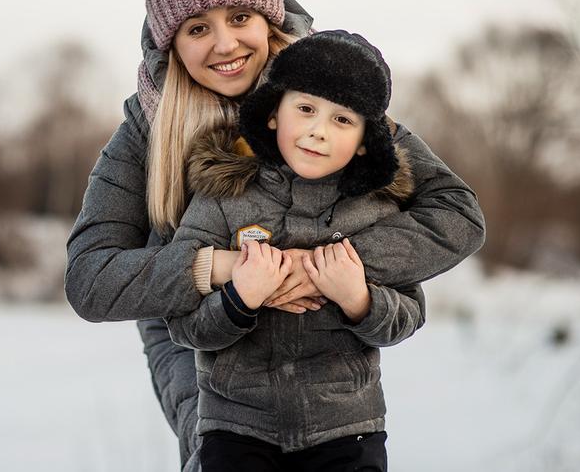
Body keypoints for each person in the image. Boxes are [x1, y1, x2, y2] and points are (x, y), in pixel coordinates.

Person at [64, 0, 485, 471]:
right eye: (196, 28)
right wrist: (219, 267)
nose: (223, 44)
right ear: (172, 44)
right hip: (193, 344)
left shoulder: (329, 97)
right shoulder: (147, 127)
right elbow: (90, 278)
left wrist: (322, 266)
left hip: (327, 379)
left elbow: (455, 212)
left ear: (269, 16)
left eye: (239, 16)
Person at [166, 30, 425, 471]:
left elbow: (408, 315)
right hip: (236, 428)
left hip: (346, 429)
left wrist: (358, 299)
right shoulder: (223, 197)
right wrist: (239, 298)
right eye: (305, 109)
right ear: (273, 115)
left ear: (365, 140)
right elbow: (183, 325)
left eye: (342, 120)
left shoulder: (375, 211)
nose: (317, 131)